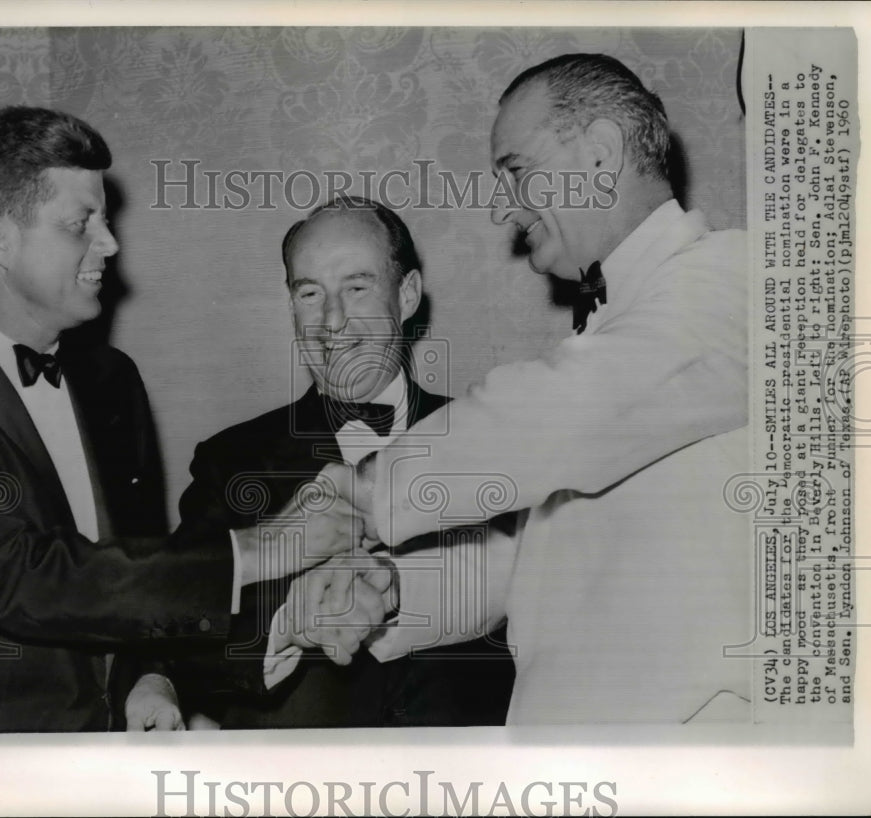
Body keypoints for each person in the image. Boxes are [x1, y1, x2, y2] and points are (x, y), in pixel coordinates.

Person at [314, 53, 753, 723]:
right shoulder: (624, 326)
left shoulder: (735, 278)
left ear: (602, 153)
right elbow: (540, 558)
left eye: (516, 173)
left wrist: (367, 493)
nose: (502, 209)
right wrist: (398, 587)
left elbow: (558, 414)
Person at [0, 106, 356, 734]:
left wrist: (150, 675)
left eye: (105, 222)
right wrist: (266, 546)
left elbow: (137, 567)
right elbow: (22, 581)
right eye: (80, 224)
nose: (109, 245)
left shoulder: (113, 379)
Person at [171, 197, 517, 728]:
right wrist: (290, 621)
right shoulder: (230, 460)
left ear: (407, 295)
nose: (331, 321)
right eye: (309, 293)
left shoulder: (492, 437)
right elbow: (181, 632)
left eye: (356, 288)